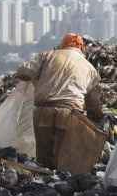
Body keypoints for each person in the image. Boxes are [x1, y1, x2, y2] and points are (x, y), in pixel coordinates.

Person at [16, 33, 103, 171]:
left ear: (63, 44)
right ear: (82, 48)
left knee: (44, 157)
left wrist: (39, 79)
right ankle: (58, 182)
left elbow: (23, 72)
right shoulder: (90, 69)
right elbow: (94, 104)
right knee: (64, 156)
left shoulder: (47, 55)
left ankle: (43, 181)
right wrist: (97, 119)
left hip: (43, 111)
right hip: (71, 115)